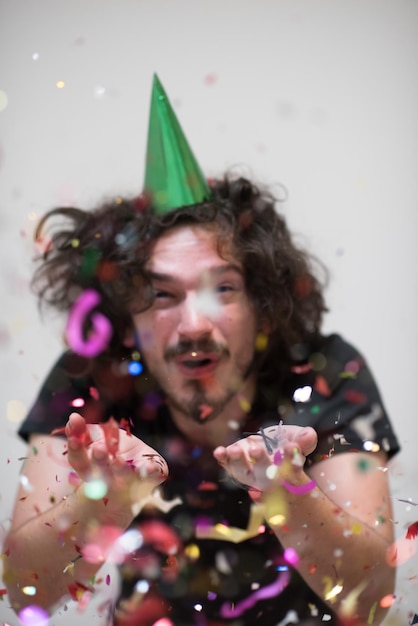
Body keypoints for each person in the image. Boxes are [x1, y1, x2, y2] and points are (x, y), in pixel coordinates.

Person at [3, 75, 400, 626]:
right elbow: (26, 597)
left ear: (261, 301)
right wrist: (103, 500)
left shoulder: (327, 372)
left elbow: (372, 598)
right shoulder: (88, 381)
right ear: (126, 316)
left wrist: (289, 490)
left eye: (223, 288)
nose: (193, 324)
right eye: (162, 294)